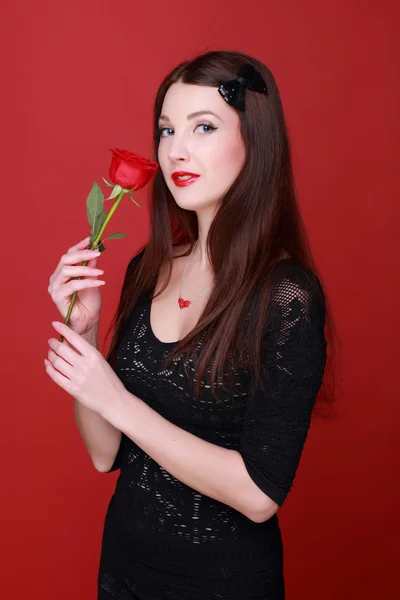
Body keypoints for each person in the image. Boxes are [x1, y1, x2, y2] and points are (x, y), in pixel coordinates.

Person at [47, 50, 339, 599]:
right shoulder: (149, 267)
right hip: (124, 574)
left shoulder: (286, 295)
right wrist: (85, 332)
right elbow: (104, 453)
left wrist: (115, 399)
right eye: (166, 130)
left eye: (203, 127)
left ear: (256, 141)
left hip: (222, 585)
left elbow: (259, 494)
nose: (175, 150)